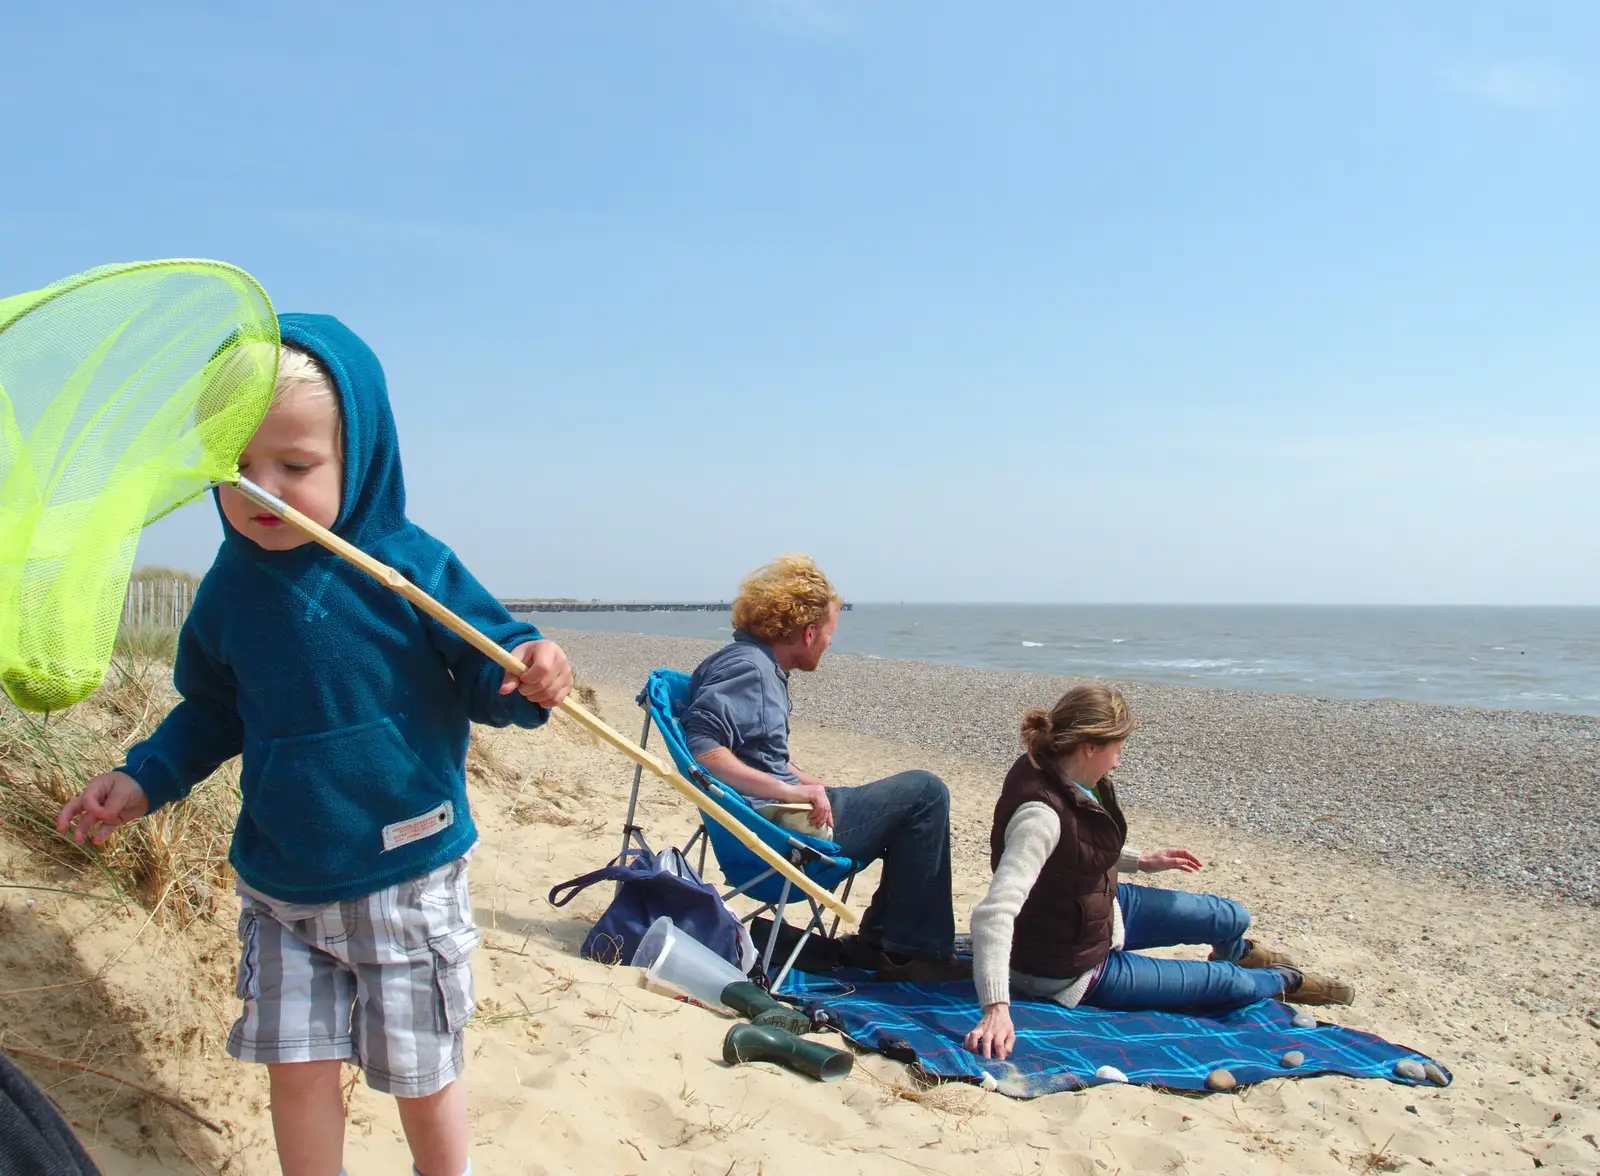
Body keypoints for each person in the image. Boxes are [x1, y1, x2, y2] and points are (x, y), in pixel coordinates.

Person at [56, 317, 571, 1176]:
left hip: (406, 871)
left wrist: (528, 671)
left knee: (422, 1073)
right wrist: (142, 778)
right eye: (236, 469)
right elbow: (212, 713)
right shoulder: (228, 593)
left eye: (295, 468)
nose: (261, 490)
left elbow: (491, 669)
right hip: (282, 883)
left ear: (357, 454)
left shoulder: (406, 563)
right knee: (296, 1073)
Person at [965, 684, 1354, 1061]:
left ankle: (1240, 955)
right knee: (1227, 983)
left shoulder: (1072, 774)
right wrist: (996, 1008)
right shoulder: (1040, 817)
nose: (1118, 761)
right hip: (1068, 967)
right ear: (1090, 746)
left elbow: (1074, 850)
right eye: (1118, 749)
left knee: (1232, 916)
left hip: (1099, 906)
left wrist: (1143, 861)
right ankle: (1289, 980)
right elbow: (993, 913)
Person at [682, 555, 966, 982]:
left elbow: (756, 753)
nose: (831, 643)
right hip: (780, 836)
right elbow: (704, 750)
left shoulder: (747, 661)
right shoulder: (750, 669)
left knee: (905, 808)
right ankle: (912, 953)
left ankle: (887, 944)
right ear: (808, 632)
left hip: (771, 820)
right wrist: (794, 793)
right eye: (830, 633)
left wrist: (806, 780)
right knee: (926, 792)